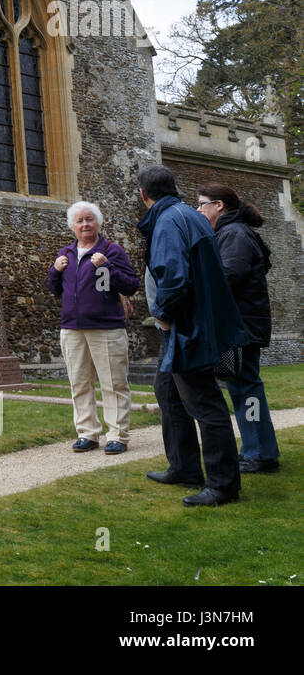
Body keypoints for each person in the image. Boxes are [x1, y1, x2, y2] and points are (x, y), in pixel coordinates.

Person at [137, 164, 250, 506]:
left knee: (204, 402)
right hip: (196, 325)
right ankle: (184, 466)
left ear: (144, 195)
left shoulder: (170, 221)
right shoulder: (190, 214)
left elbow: (173, 275)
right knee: (168, 392)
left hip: (188, 328)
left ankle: (223, 484)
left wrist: (165, 315)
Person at [196, 183, 280, 473]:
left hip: (240, 330)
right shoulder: (229, 232)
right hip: (234, 327)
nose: (198, 209)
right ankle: (254, 449)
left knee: (246, 388)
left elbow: (229, 275)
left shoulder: (234, 233)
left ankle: (262, 454)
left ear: (219, 205)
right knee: (239, 386)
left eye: (202, 203)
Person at [47, 201, 139, 455]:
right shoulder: (65, 253)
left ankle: (117, 435)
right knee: (79, 383)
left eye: (90, 219)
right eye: (80, 221)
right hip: (72, 329)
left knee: (113, 383)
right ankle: (87, 433)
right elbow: (55, 289)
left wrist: (106, 267)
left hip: (106, 328)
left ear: (98, 223)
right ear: (72, 227)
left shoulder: (111, 250)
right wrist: (54, 271)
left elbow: (131, 285)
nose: (85, 224)